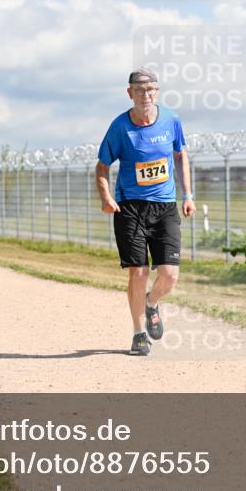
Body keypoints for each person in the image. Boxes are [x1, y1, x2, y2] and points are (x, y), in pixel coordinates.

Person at [96, 67, 195, 356]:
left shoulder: (171, 120)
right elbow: (102, 166)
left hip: (165, 207)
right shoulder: (120, 127)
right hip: (130, 208)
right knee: (137, 272)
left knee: (170, 275)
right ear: (130, 93)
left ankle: (152, 302)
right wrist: (105, 197)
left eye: (151, 89)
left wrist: (188, 195)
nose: (145, 95)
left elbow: (180, 155)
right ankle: (139, 333)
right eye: (139, 90)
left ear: (158, 91)